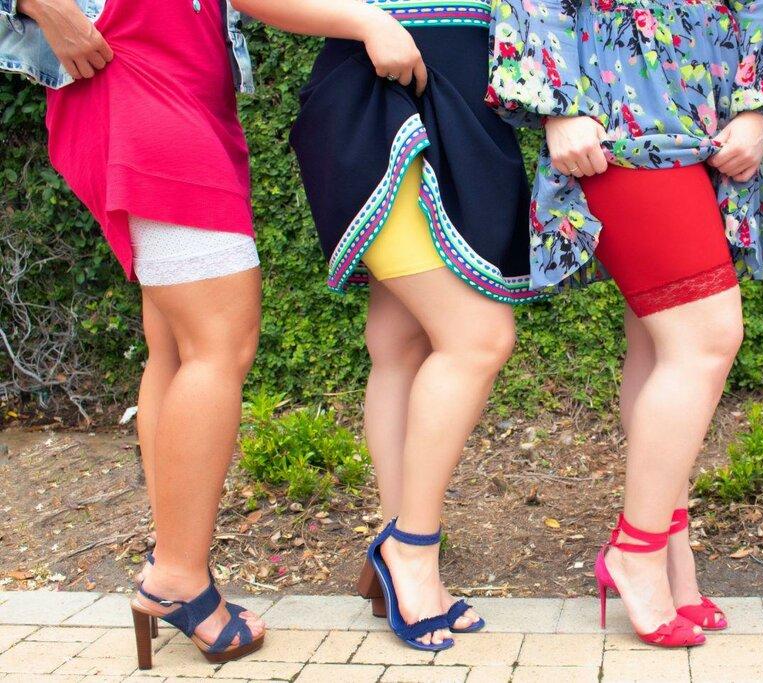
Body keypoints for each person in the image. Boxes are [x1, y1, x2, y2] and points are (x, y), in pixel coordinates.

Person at [233, 0, 544, 651]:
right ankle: (410, 549)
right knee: (478, 337)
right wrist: (368, 23)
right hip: (382, 102)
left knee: (401, 344)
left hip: (465, 111)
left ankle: (395, 552)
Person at [487, 0, 763, 647]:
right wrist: (558, 104)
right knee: (706, 339)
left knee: (659, 350)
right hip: (619, 119)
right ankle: (636, 550)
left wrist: (756, 106)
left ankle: (675, 563)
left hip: (708, 120)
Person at [1, 0, 266, 667]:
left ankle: (173, 559)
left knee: (175, 350)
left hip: (183, 97)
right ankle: (176, 576)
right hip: (141, 87)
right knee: (220, 345)